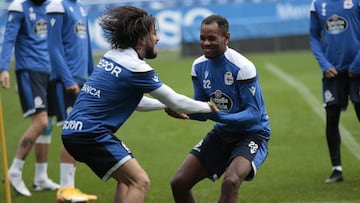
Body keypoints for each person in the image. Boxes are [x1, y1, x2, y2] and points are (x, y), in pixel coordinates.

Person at [60, 6, 217, 203]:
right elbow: (176, 100)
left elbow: (135, 102)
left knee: (126, 181)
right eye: (154, 33)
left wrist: (163, 106)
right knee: (140, 182)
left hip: (73, 132)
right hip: (92, 134)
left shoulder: (112, 55)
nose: (158, 38)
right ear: (142, 38)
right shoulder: (136, 68)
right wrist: (209, 108)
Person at [168, 14, 271, 203]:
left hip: (252, 135)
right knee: (179, 183)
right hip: (222, 133)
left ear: (226, 37)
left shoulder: (242, 67)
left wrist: (218, 117)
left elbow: (254, 114)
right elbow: (202, 110)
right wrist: (185, 113)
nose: (205, 43)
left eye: (212, 38)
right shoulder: (198, 66)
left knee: (231, 181)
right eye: (202, 38)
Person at [0, 0, 59, 197]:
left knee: (48, 123)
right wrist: (3, 69)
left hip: (48, 70)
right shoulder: (19, 7)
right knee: (40, 122)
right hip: (29, 70)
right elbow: (8, 39)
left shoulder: (51, 6)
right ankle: (14, 171)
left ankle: (40, 178)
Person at [45, 0, 97, 202]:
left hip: (82, 79)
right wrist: (67, 79)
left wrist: (94, 76)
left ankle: (69, 189)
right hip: (65, 81)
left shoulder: (81, 6)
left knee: (78, 131)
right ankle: (65, 189)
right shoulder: (57, 6)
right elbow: (53, 47)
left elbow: (88, 46)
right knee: (73, 131)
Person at [309, 0, 360, 183]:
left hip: (357, 71)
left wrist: (356, 65)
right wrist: (324, 65)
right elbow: (314, 36)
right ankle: (336, 169)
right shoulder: (317, 4)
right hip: (333, 72)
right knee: (332, 117)